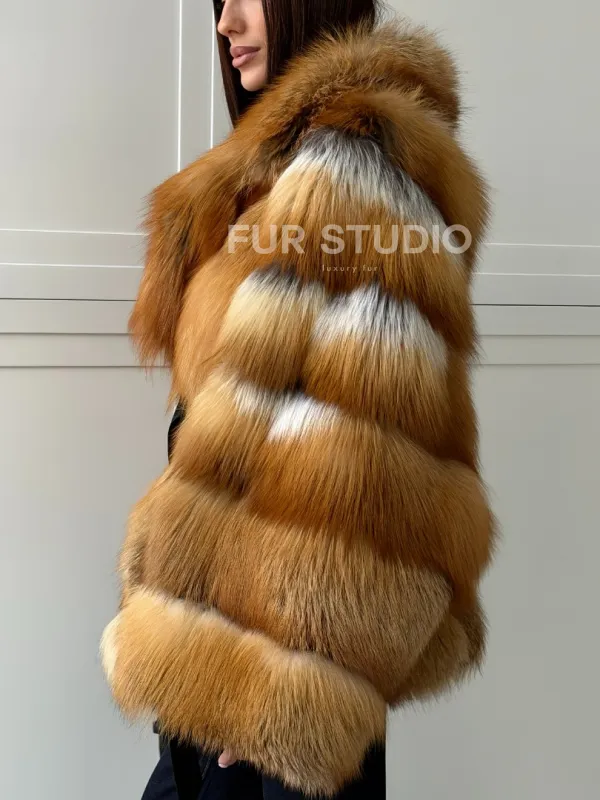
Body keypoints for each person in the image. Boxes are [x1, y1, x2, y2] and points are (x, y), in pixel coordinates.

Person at [101, 0, 496, 798]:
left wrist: (268, 688)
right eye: (218, 1)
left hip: (275, 687)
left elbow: (360, 455)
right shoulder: (277, 171)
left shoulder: (357, 159)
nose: (224, 23)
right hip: (230, 659)